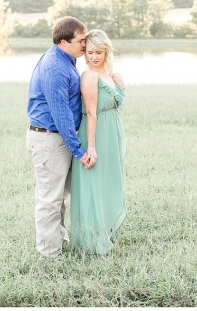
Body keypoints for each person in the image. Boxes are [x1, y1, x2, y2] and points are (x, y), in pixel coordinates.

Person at [26, 16, 96, 259]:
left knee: (58, 197)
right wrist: (78, 150)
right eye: (81, 41)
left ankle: (59, 242)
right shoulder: (56, 67)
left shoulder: (65, 60)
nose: (85, 45)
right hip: (49, 139)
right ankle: (49, 255)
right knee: (50, 200)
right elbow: (61, 114)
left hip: (57, 139)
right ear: (64, 41)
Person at [71, 29, 127, 255]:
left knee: (108, 182)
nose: (94, 57)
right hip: (95, 135)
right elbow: (91, 113)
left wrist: (121, 86)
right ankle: (91, 240)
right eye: (90, 52)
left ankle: (105, 232)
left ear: (107, 52)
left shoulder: (111, 76)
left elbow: (115, 104)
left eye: (99, 52)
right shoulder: (89, 76)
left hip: (111, 134)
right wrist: (91, 147)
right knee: (93, 183)